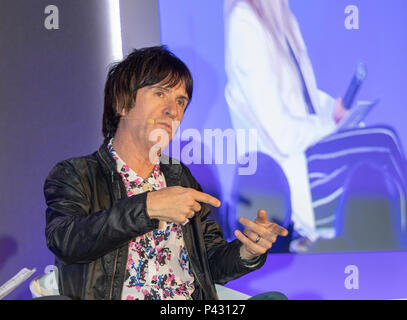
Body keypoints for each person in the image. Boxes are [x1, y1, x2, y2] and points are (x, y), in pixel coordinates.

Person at [44, 46, 288, 300]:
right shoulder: (77, 174)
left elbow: (210, 264)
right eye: (160, 93)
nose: (173, 110)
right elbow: (65, 240)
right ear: (122, 104)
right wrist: (147, 207)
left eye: (181, 101)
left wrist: (247, 251)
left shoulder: (179, 177)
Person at [224, 0, 407, 251]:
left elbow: (301, 98)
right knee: (384, 142)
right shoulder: (244, 24)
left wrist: (333, 113)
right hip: (296, 169)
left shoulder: (282, 17)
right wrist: (329, 126)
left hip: (311, 151)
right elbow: (281, 135)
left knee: (384, 143)